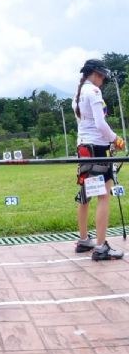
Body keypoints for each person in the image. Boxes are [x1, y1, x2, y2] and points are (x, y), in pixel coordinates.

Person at [73, 59, 125, 260]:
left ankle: (84, 239)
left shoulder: (78, 94)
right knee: (103, 196)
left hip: (84, 148)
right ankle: (101, 246)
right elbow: (100, 124)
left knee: (86, 194)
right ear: (93, 74)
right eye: (101, 75)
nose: (102, 79)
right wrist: (116, 139)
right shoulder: (93, 92)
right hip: (97, 149)